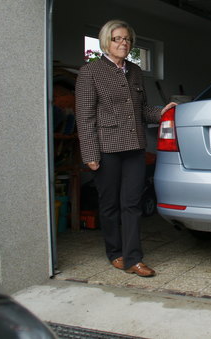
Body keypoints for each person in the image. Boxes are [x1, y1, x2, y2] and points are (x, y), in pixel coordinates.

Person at [75, 19, 176, 277]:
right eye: (117, 39)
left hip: (134, 147)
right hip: (107, 149)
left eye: (127, 39)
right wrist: (90, 154)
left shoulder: (134, 71)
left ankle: (134, 258)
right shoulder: (91, 72)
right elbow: (85, 117)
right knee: (109, 205)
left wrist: (160, 112)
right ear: (106, 42)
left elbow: (141, 110)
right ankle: (115, 252)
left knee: (131, 203)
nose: (123, 43)